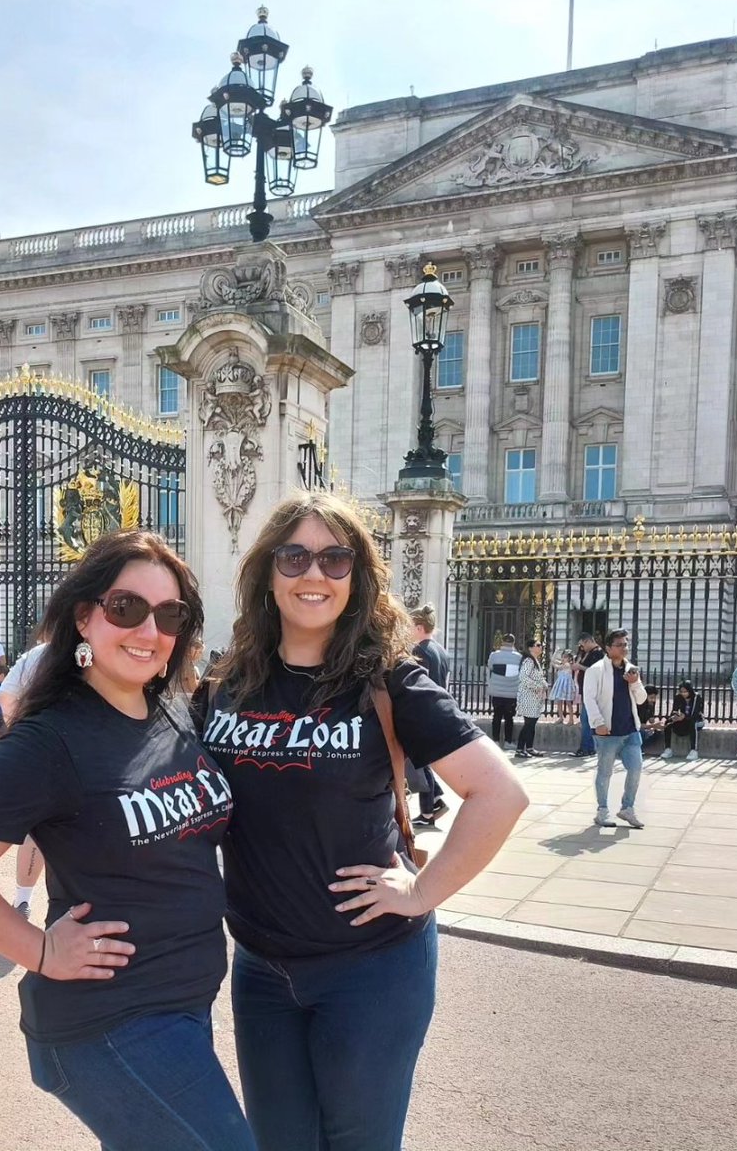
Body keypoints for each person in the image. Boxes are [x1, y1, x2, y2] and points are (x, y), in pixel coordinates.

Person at [194, 491, 528, 1151]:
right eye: (294, 557)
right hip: (261, 966)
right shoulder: (228, 681)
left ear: (357, 575)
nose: (313, 575)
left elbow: (500, 793)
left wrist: (422, 892)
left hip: (370, 970)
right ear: (268, 571)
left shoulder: (388, 680)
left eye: (333, 559)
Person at [0, 531, 258, 1151]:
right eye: (126, 608)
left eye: (170, 615)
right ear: (84, 617)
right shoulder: (50, 741)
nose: (148, 630)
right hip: (106, 1022)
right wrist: (40, 951)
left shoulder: (172, 710)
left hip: (181, 1006)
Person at [0, 637, 50, 917]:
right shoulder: (109, 651)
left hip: (41, 750)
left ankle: (23, 899)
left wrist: (25, 734)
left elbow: (6, 697)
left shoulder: (38, 655)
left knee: (37, 831)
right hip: (94, 753)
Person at [583, 628, 647, 829]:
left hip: (630, 730)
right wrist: (598, 723)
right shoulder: (596, 670)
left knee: (636, 768)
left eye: (626, 643)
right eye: (620, 644)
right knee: (605, 772)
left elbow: (642, 699)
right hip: (607, 732)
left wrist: (635, 683)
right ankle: (602, 811)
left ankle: (627, 808)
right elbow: (589, 699)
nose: (624, 648)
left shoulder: (631, 670)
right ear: (608, 648)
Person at [409, 604, 451, 826]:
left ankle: (427, 812)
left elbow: (417, 683)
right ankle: (435, 799)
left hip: (423, 710)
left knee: (420, 761)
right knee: (422, 761)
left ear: (418, 627)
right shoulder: (440, 649)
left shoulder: (420, 651)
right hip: (438, 708)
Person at [514, 638, 549, 758]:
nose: (541, 647)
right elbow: (523, 677)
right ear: (530, 648)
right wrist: (538, 686)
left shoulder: (535, 661)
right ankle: (520, 749)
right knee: (528, 724)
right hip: (528, 697)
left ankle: (529, 747)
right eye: (538, 645)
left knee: (532, 723)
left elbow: (539, 677)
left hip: (535, 698)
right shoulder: (529, 661)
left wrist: (544, 685)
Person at [572, 632, 605, 757]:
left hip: (592, 691)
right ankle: (590, 748)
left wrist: (580, 666)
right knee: (586, 720)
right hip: (585, 690)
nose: (581, 647)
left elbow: (594, 671)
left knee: (586, 720)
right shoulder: (587, 653)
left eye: (582, 645)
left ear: (587, 641)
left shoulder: (598, 653)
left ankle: (585, 748)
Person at [486, 633, 520, 749]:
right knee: (509, 718)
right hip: (511, 693)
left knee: (496, 717)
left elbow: (490, 666)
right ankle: (508, 742)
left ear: (502, 642)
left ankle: (495, 740)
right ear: (513, 643)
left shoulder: (494, 655)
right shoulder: (518, 657)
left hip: (497, 691)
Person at [661, 680, 704, 762]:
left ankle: (694, 750)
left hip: (696, 720)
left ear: (690, 690)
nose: (683, 694)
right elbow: (674, 710)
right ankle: (668, 749)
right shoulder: (678, 697)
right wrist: (674, 716)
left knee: (693, 723)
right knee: (668, 723)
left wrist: (684, 717)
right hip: (683, 720)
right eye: (681, 692)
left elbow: (695, 713)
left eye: (685, 691)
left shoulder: (696, 697)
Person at [549, 649, 579, 724]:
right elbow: (553, 661)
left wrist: (555, 654)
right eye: (562, 657)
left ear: (569, 658)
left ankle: (571, 719)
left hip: (566, 685)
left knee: (568, 702)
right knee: (559, 701)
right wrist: (556, 652)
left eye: (565, 657)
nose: (563, 658)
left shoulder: (567, 665)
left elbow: (555, 664)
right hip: (561, 685)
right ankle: (561, 717)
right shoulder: (563, 664)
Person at [637, 685, 666, 753]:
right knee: (641, 732)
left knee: (658, 733)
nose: (653, 700)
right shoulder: (638, 706)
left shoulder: (650, 705)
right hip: (635, 730)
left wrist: (660, 723)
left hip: (645, 728)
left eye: (655, 698)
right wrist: (653, 726)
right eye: (651, 697)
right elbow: (638, 725)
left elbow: (651, 720)